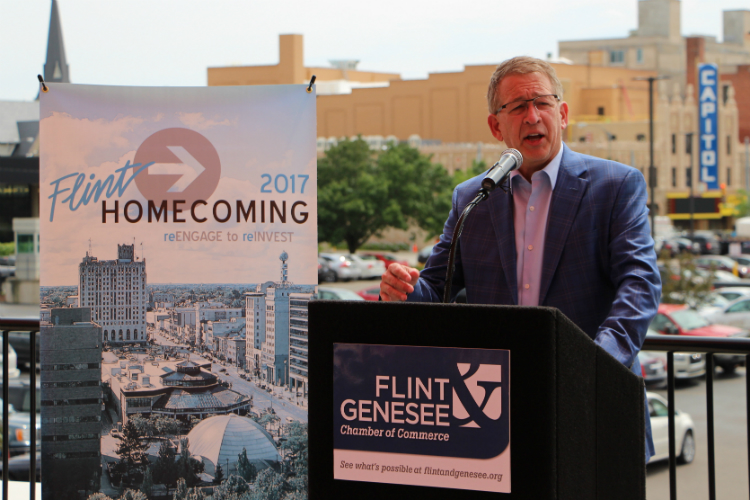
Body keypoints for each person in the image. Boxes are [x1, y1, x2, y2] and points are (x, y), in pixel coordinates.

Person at [380, 56, 661, 458]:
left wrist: (596, 363)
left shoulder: (615, 186)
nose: (533, 117)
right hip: (494, 417)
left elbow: (640, 282)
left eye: (543, 103)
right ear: (496, 126)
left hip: (591, 404)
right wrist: (404, 288)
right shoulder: (472, 197)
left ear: (562, 114)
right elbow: (435, 290)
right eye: (517, 107)